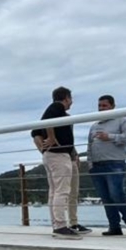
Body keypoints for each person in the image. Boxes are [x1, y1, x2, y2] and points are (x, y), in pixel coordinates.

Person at [32, 87, 90, 240]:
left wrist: (44, 150)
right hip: (58, 155)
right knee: (62, 191)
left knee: (55, 191)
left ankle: (57, 225)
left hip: (54, 155)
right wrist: (50, 139)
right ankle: (60, 226)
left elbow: (35, 133)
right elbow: (45, 124)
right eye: (70, 99)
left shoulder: (57, 113)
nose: (71, 102)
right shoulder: (56, 107)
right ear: (66, 98)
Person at [87, 95, 126, 236]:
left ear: (112, 106)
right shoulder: (94, 126)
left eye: (104, 105)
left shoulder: (122, 120)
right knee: (106, 198)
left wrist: (110, 137)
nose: (101, 108)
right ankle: (114, 227)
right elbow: (89, 146)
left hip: (114, 164)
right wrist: (90, 164)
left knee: (117, 194)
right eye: (99, 106)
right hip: (97, 166)